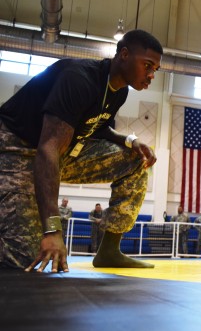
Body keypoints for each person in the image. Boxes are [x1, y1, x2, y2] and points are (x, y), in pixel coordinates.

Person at [0, 29, 162, 272]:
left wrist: (130, 140)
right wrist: (53, 230)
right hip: (16, 150)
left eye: (155, 70)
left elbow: (99, 127)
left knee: (135, 160)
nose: (151, 75)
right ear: (124, 55)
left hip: (59, 150)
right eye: (147, 65)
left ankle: (109, 251)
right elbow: (48, 148)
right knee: (25, 260)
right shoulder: (79, 78)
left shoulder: (119, 91)